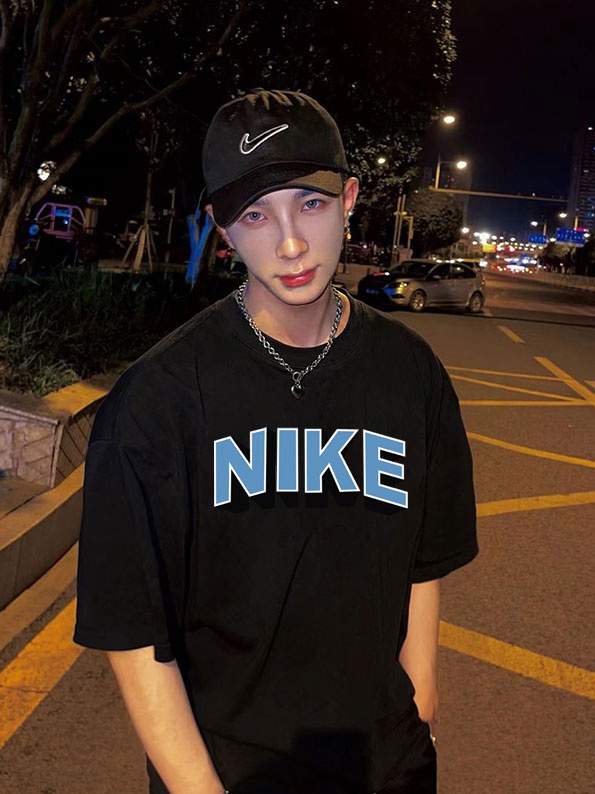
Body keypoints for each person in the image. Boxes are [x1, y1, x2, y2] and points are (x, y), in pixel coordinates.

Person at [74, 89, 478, 794]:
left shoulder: (410, 372)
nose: (289, 244)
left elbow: (424, 557)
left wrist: (420, 696)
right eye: (255, 215)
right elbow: (133, 632)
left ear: (349, 199)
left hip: (388, 764)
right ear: (222, 229)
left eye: (310, 204)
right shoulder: (159, 400)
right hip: (231, 771)